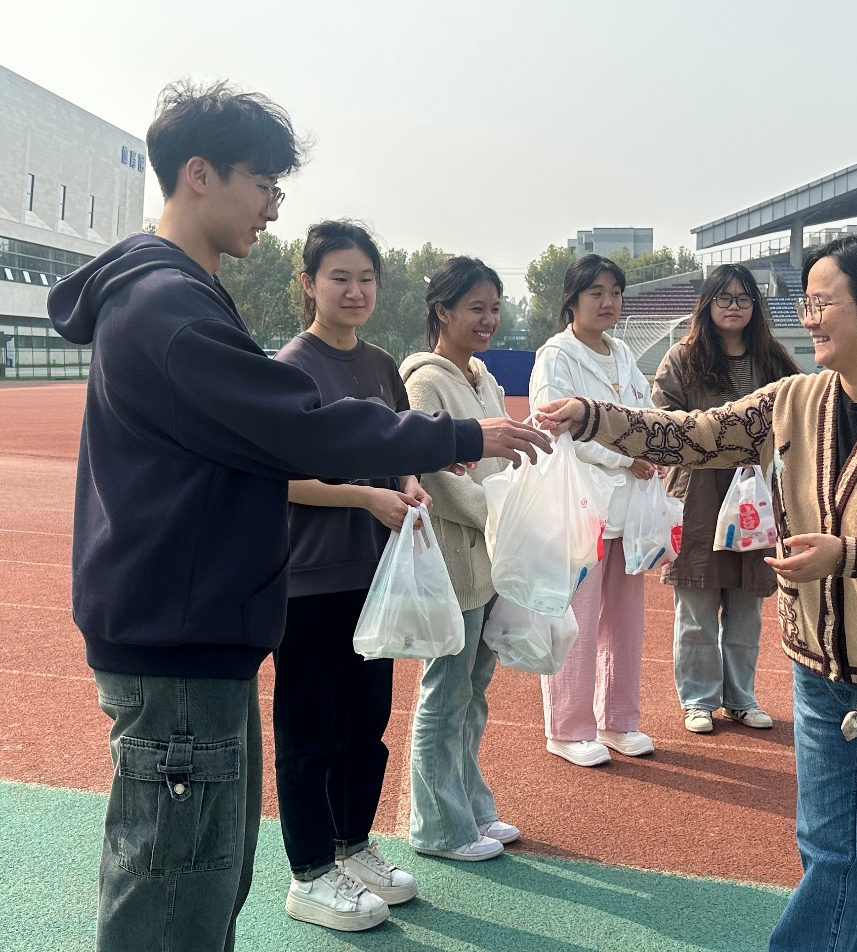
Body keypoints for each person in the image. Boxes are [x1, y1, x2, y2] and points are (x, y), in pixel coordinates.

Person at [47, 82, 548, 952]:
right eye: (263, 183)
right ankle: (319, 865)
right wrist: (463, 433)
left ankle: (339, 853)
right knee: (176, 888)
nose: (272, 207)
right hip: (177, 633)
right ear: (198, 174)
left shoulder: (176, 295)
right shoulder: (167, 307)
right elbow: (300, 427)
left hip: (190, 624)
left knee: (200, 874)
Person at [538, 234, 857, 951]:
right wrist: (594, 417)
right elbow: (694, 435)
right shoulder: (794, 400)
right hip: (819, 673)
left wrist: (848, 556)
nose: (807, 317)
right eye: (805, 302)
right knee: (827, 855)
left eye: (822, 302)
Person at [271, 220, 429, 932]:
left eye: (366, 278)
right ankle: (309, 874)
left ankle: (353, 847)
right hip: (310, 579)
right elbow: (277, 478)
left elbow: (398, 445)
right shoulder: (290, 367)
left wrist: (408, 480)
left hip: (373, 574)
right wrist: (364, 498)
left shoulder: (382, 365)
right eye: (339, 277)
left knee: (366, 723)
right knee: (310, 729)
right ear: (308, 284)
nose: (355, 290)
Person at [401, 256, 522, 861]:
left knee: (473, 689)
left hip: (491, 556)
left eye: (494, 308)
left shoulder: (484, 378)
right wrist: (497, 516)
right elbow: (437, 474)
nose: (488, 319)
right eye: (476, 308)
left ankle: (470, 805)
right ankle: (437, 826)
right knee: (445, 689)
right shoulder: (424, 382)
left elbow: (500, 457)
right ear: (442, 311)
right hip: (453, 555)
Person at [652, 264, 800, 734]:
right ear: (708, 304)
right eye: (724, 298)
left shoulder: (773, 359)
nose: (734, 306)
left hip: (755, 492)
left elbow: (798, 414)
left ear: (755, 306)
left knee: (746, 604)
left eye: (743, 298)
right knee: (696, 601)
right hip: (699, 492)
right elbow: (666, 418)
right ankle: (698, 699)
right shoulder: (683, 357)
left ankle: (740, 698)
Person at [529, 253, 661, 767]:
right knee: (577, 620)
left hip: (628, 509)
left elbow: (645, 414)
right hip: (582, 506)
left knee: (625, 623)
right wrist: (626, 455)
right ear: (572, 299)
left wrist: (649, 447)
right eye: (596, 293)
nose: (609, 302)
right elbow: (555, 427)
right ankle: (568, 728)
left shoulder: (622, 352)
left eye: (615, 292)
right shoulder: (556, 356)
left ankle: (618, 720)